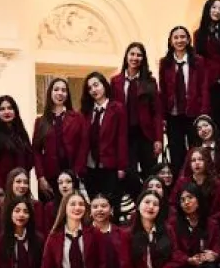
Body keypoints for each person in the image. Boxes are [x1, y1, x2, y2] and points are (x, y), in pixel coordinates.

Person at [111, 43, 164, 200]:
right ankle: (139, 202)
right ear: (126, 56)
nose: (135, 58)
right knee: (129, 174)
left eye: (139, 55)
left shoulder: (150, 82)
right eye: (132, 54)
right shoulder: (115, 82)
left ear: (143, 58)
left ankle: (153, 204)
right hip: (125, 136)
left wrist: (158, 139)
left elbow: (157, 113)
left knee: (151, 174)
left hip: (145, 135)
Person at [159, 26, 209, 175]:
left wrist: (204, 113)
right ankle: (180, 186)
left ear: (188, 39)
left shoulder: (198, 61)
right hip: (173, 115)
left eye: (182, 37)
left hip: (193, 113)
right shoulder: (165, 63)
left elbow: (204, 87)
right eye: (176, 37)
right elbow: (162, 90)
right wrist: (162, 117)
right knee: (176, 154)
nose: (179, 40)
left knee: (196, 151)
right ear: (170, 41)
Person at [79, 72, 128, 220]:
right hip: (90, 166)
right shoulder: (86, 111)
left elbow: (122, 138)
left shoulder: (117, 108)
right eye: (90, 88)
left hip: (110, 165)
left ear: (104, 86)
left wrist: (121, 166)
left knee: (111, 206)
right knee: (94, 206)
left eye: (96, 85)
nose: (94, 90)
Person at [32, 78, 86, 202]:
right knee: (50, 212)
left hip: (71, 174)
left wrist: (76, 173)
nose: (60, 93)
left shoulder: (77, 117)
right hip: (49, 177)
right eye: (56, 89)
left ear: (67, 94)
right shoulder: (40, 121)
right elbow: (36, 151)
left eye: (64, 90)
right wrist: (40, 177)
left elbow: (83, 147)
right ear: (50, 92)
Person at [0, 95, 32, 206]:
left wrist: (22, 184)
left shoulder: (21, 133)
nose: (6, 112)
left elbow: (29, 160)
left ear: (15, 111)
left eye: (10, 108)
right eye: (2, 109)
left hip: (19, 189)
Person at [194, 0, 220, 137]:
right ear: (207, 9)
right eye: (214, 8)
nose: (217, 11)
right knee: (215, 123)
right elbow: (199, 60)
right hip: (210, 83)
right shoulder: (199, 34)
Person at [90, 194, 126, 268]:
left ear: (111, 210)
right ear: (90, 211)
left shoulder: (121, 234)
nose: (99, 209)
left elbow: (125, 266)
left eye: (104, 206)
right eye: (95, 207)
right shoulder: (85, 234)